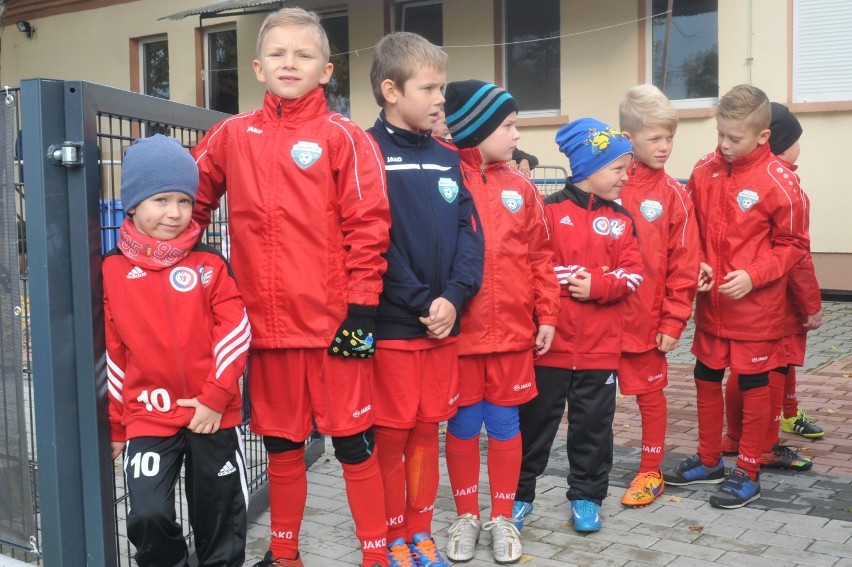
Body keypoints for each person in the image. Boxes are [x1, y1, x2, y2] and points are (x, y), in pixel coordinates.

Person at [191, 8, 393, 567]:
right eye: (278, 53)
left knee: (354, 445)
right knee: (282, 448)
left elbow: (370, 227)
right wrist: (178, 262)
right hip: (265, 329)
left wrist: (361, 310)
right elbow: (191, 199)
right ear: (257, 67)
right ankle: (285, 556)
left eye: (303, 54)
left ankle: (375, 556)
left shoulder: (345, 138)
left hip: (337, 329)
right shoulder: (231, 135)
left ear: (326, 70)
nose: (289, 62)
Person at [105, 134, 252, 567]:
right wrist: (117, 425)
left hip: (213, 415)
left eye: (184, 201)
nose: (174, 213)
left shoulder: (208, 263)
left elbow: (236, 331)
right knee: (147, 514)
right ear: (132, 204)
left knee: (219, 518)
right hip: (148, 416)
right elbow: (113, 355)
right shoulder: (112, 270)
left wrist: (213, 398)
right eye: (161, 200)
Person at [366, 32, 484, 567]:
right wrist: (420, 301)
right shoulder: (366, 153)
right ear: (392, 90)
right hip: (395, 326)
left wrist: (454, 300)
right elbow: (371, 240)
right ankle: (391, 534)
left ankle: (421, 530)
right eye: (431, 88)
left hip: (443, 325)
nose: (441, 99)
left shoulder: (446, 157)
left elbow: (469, 234)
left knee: (426, 433)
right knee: (391, 437)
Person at [663, 85, 809, 509]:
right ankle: (710, 460)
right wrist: (700, 264)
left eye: (735, 138)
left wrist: (753, 275)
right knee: (705, 375)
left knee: (753, 384)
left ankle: (748, 469)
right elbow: (689, 228)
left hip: (758, 312)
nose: (724, 146)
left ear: (763, 136)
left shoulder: (781, 183)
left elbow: (794, 244)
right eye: (720, 134)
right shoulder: (704, 169)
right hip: (712, 307)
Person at [440, 80, 560, 564]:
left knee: (506, 422)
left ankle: (504, 517)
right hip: (460, 333)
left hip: (512, 332)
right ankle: (467, 515)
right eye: (508, 126)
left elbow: (541, 258)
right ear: (477, 127)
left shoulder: (523, 188)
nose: (516, 135)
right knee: (465, 422)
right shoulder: (445, 180)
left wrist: (547, 313)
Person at [514, 118, 643, 533]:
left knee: (593, 431)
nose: (627, 177)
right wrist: (573, 282)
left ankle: (587, 498)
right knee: (533, 426)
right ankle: (518, 494)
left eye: (628, 168)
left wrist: (600, 284)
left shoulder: (623, 221)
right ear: (587, 168)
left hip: (600, 351)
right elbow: (537, 270)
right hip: (548, 348)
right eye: (617, 168)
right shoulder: (548, 211)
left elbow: (634, 275)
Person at [721, 102, 822, 470]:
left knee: (744, 370)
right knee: (769, 371)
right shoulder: (783, 183)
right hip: (775, 300)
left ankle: (735, 437)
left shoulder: (743, 177)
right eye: (797, 139)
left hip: (745, 294)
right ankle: (764, 445)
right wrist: (811, 303)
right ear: (778, 141)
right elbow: (798, 257)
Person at [616, 85, 699, 507]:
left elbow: (684, 266)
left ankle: (651, 471)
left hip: (647, 321)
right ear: (628, 138)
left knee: (650, 396)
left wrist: (673, 320)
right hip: (597, 323)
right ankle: (586, 475)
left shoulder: (675, 196)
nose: (665, 147)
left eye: (670, 137)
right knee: (588, 401)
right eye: (656, 138)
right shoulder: (602, 183)